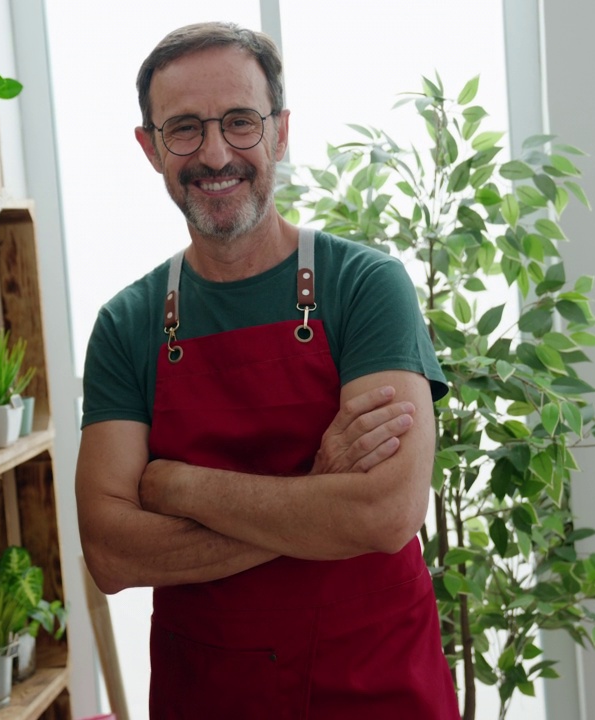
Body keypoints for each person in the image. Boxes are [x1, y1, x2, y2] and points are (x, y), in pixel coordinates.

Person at [76, 20, 460, 718]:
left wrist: (177, 486)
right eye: (185, 128)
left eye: (241, 122)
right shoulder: (126, 325)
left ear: (280, 132)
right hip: (210, 692)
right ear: (150, 147)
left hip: (376, 685)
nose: (216, 152)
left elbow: (384, 512)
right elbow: (111, 553)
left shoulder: (366, 286)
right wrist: (316, 497)